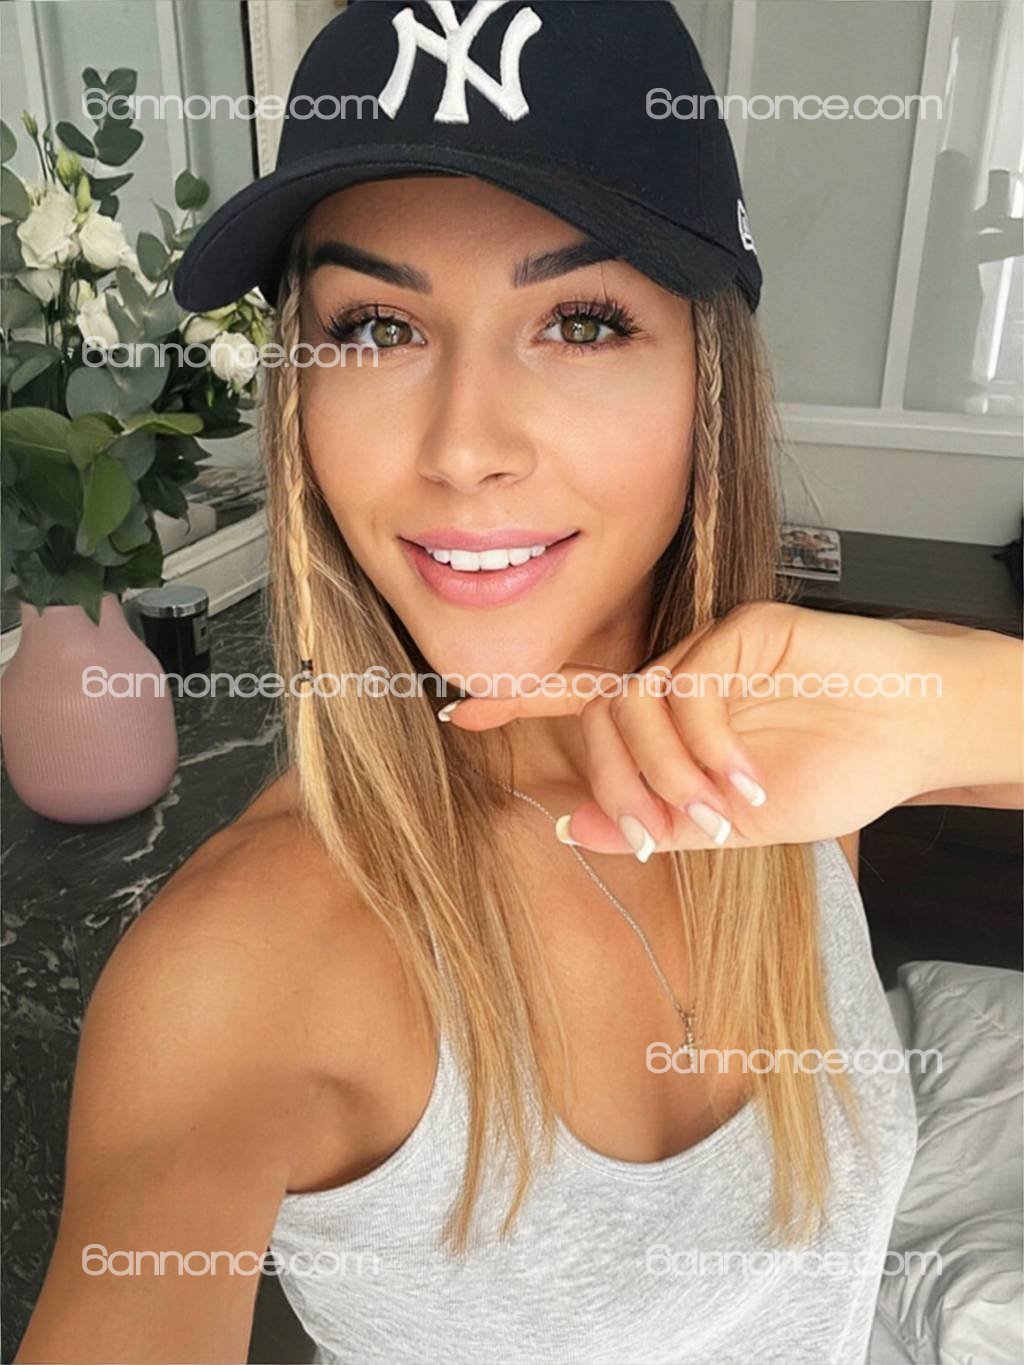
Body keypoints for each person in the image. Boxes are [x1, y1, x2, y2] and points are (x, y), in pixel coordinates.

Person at [16, 3, 1022, 1363]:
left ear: (707, 383)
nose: (464, 445)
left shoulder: (785, 762)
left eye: (582, 322)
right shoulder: (238, 969)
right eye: (377, 327)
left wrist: (951, 702)